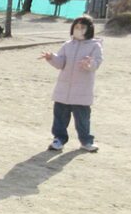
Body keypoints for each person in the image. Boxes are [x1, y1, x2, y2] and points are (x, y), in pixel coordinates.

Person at [39, 14, 103, 152]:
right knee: (60, 117)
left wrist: (89, 63)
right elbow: (60, 63)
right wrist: (52, 57)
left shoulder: (95, 46)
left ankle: (86, 141)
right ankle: (59, 139)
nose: (79, 30)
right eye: (77, 27)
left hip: (82, 91)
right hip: (63, 89)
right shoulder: (67, 45)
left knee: (82, 119)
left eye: (83, 27)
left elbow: (96, 64)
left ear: (89, 29)